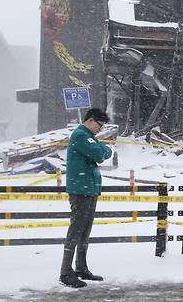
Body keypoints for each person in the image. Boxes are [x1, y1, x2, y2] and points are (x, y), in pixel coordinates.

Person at [59, 108, 113, 288]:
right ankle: (66, 272)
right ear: (90, 120)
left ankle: (81, 268)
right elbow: (100, 154)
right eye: (99, 125)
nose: (100, 128)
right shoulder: (81, 135)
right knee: (76, 230)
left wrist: (102, 148)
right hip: (81, 190)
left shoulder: (89, 137)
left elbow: (104, 151)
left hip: (88, 188)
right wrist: (103, 149)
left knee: (84, 230)